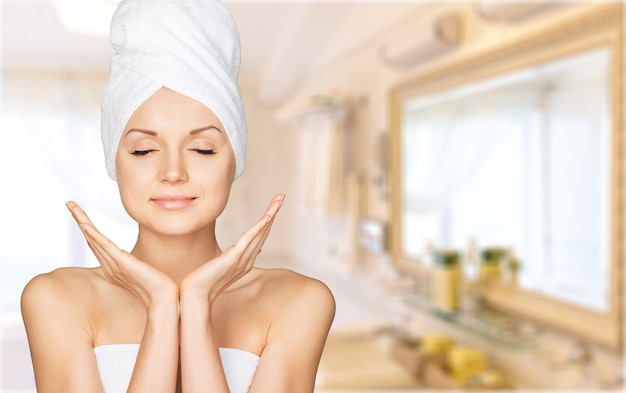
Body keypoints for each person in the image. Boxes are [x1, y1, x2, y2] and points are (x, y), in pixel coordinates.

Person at [20, 0, 335, 392]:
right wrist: (162, 306)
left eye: (202, 149)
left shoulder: (298, 302)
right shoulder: (56, 300)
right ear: (113, 162)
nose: (173, 172)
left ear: (234, 160)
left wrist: (197, 302)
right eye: (143, 150)